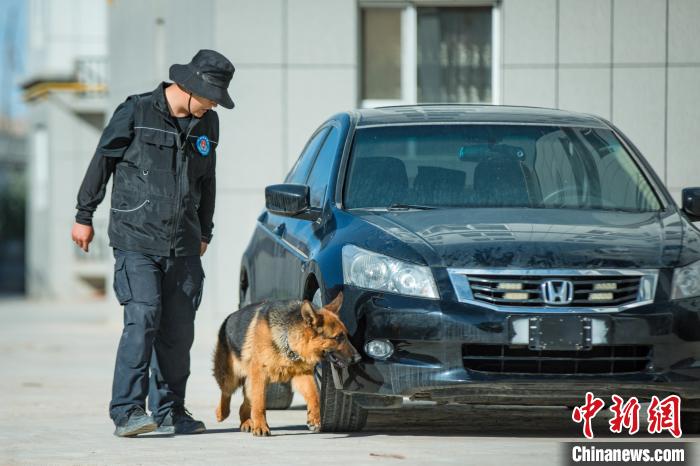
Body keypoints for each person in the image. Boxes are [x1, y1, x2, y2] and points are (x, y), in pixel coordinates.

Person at [71, 49, 235, 437]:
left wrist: (205, 231)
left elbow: (207, 181)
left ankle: (169, 409)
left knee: (178, 330)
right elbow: (102, 161)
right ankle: (127, 410)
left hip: (184, 243)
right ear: (191, 87)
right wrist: (84, 215)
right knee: (143, 318)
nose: (214, 105)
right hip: (136, 239)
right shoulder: (137, 111)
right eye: (212, 96)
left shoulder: (207, 123)